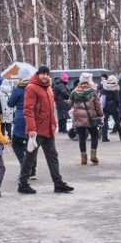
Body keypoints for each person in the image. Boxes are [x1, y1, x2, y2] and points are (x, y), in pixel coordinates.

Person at [17, 66, 74, 195]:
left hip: (48, 128)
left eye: (46, 74)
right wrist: (31, 128)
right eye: (42, 74)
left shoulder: (48, 87)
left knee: (53, 156)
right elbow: (28, 109)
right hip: (36, 129)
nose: (44, 76)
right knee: (30, 156)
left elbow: (50, 109)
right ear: (38, 74)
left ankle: (58, 183)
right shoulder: (31, 87)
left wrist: (53, 124)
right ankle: (23, 183)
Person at [68, 72, 103, 165]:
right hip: (91, 118)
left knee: (82, 138)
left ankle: (83, 158)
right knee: (94, 135)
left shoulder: (75, 91)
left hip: (79, 119)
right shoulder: (93, 92)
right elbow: (98, 106)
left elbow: (70, 103)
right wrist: (101, 115)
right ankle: (93, 155)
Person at [8, 67, 36, 179]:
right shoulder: (34, 88)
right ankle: (33, 171)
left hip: (20, 118)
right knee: (32, 144)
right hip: (32, 118)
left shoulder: (18, 88)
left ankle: (24, 165)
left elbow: (10, 103)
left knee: (16, 144)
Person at [100, 75, 121, 141]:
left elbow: (102, 95)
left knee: (104, 122)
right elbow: (117, 99)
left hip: (105, 105)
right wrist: (118, 106)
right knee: (117, 121)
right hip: (113, 105)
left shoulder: (104, 87)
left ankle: (104, 137)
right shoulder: (115, 88)